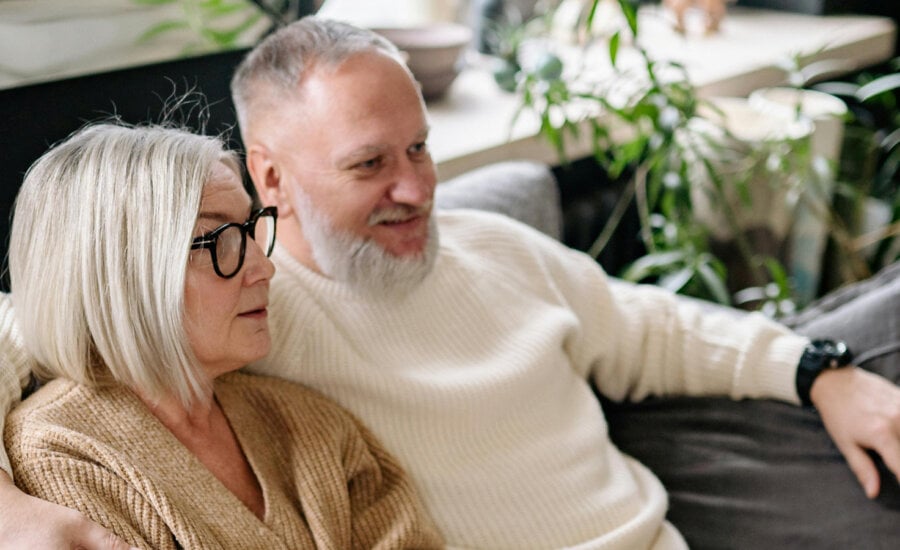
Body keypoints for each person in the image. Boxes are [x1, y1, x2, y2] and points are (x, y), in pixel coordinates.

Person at [1, 15, 899, 549]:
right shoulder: (255, 309)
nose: (417, 189)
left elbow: (654, 326)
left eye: (421, 148)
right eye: (369, 164)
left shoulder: (491, 248)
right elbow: (45, 318)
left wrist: (822, 369)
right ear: (271, 178)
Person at [0, 123, 442, 549]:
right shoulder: (60, 459)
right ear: (117, 275)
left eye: (250, 231)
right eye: (218, 239)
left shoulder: (309, 423)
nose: (263, 268)